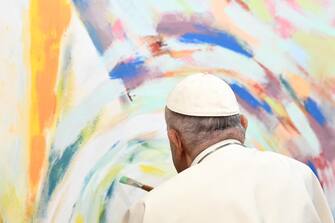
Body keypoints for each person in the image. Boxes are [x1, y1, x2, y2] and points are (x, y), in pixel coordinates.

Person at [122, 73, 334, 223]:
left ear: (175, 140)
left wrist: (168, 199)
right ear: (243, 124)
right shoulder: (299, 176)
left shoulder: (151, 210)